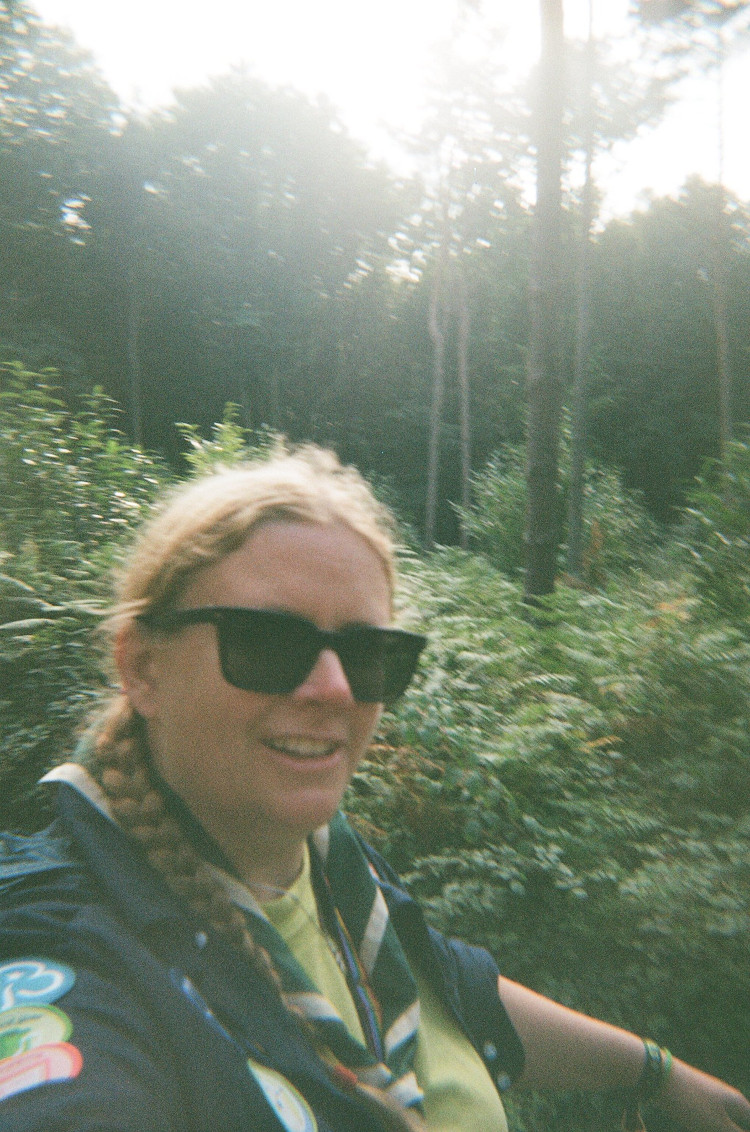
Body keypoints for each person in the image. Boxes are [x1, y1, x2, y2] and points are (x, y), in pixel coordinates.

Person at [0, 443, 747, 1132]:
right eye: (266, 641)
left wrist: (657, 1074)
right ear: (143, 670)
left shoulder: (336, 874)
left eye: (367, 653)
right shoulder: (68, 949)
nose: (332, 687)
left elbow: (445, 989)